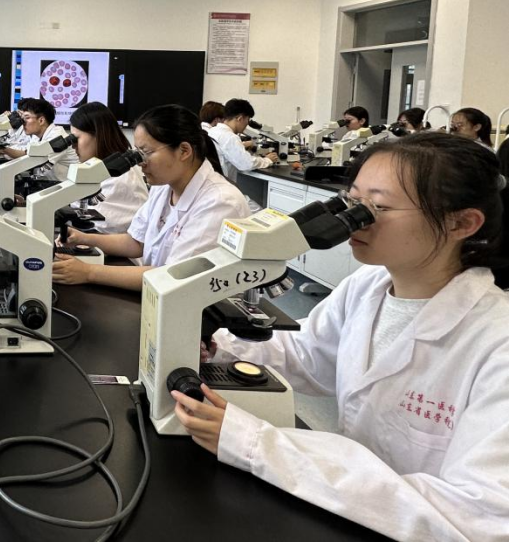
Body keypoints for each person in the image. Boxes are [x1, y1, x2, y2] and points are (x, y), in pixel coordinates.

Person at [174, 133, 509, 542]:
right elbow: (307, 356)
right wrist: (216, 345)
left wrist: (258, 445)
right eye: (352, 202)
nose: (356, 218)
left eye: (378, 207)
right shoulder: (368, 285)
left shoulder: (497, 343)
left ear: (461, 223)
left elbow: (478, 518)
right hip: (347, 514)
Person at [52, 105, 250, 291]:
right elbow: (136, 242)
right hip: (157, 297)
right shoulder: (164, 187)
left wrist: (88, 272)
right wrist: (84, 238)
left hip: (195, 308)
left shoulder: (220, 202)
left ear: (184, 151)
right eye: (137, 153)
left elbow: (172, 277)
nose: (140, 163)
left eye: (145, 153)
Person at [67, 102, 148, 233]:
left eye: (76, 139)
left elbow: (106, 225)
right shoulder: (101, 165)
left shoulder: (122, 175)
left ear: (98, 135)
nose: (73, 146)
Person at [0, 96, 79, 181]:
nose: (22, 123)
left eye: (27, 118)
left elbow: (32, 160)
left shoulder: (57, 136)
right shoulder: (37, 136)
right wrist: (3, 149)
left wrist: (4, 150)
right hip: (50, 182)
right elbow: (26, 152)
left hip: (66, 184)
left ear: (41, 120)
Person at [207, 99, 279, 183]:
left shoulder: (213, 131)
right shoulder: (230, 137)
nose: (247, 124)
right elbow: (246, 164)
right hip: (221, 183)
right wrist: (267, 160)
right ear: (240, 118)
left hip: (211, 180)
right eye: (247, 120)